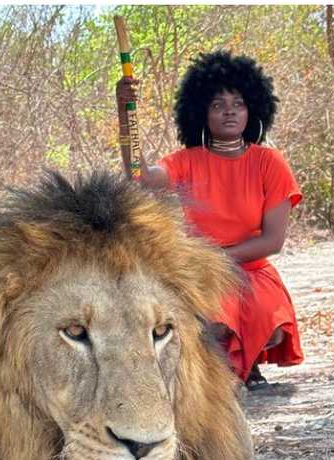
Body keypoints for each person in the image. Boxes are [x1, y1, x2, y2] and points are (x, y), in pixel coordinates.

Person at [118, 50, 303, 391]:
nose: (229, 111)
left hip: (251, 270)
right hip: (202, 273)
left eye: (238, 103)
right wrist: (124, 111)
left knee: (268, 322)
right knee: (212, 324)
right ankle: (223, 373)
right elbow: (139, 178)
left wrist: (218, 258)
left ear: (254, 109)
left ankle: (245, 367)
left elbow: (272, 241)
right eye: (218, 105)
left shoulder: (270, 162)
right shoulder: (185, 161)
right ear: (201, 113)